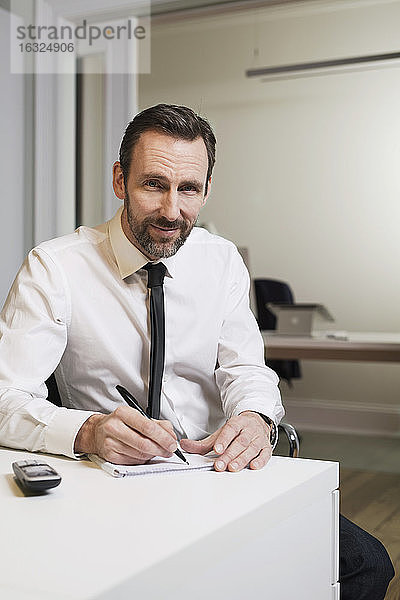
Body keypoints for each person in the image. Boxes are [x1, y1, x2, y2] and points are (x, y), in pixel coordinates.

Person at [0, 104, 394, 598]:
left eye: (189, 189)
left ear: (206, 189)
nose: (171, 211)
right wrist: (88, 430)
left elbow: (246, 367)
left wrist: (254, 416)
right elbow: (6, 399)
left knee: (366, 565)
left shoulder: (222, 260)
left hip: (215, 473)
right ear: (120, 181)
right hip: (110, 481)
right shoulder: (54, 268)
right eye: (153, 185)